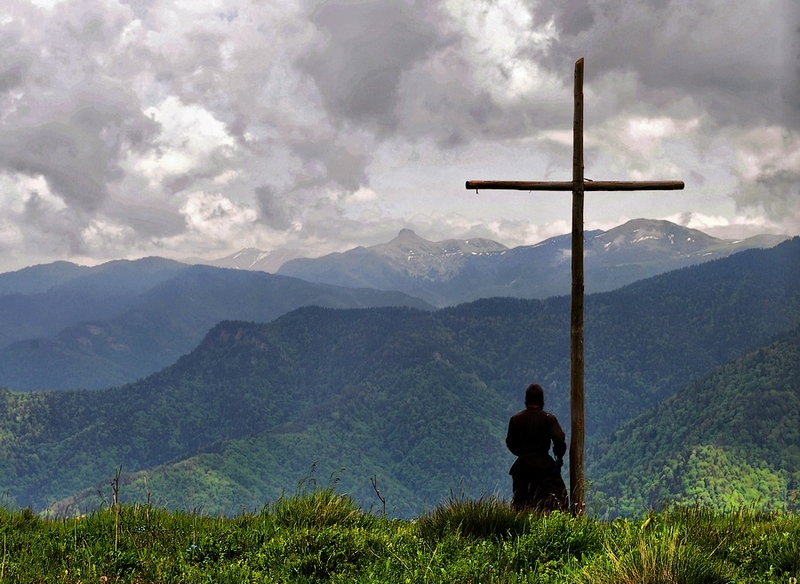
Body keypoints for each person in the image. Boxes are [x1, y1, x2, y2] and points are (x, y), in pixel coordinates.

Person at [505, 383, 568, 512]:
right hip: (544, 468)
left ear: (526, 400)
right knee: (557, 503)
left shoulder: (516, 419)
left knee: (520, 505)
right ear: (542, 400)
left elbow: (510, 443)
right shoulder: (548, 419)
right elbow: (560, 438)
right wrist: (559, 457)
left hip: (521, 468)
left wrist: (522, 453)